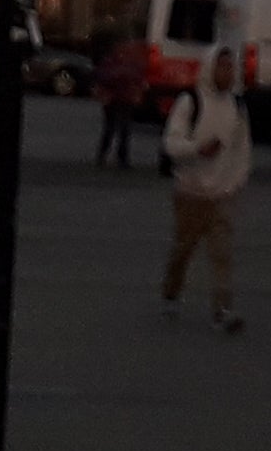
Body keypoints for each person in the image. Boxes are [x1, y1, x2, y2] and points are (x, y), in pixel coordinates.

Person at [158, 44, 251, 332]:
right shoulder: (190, 101)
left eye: (231, 67)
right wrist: (198, 149)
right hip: (190, 193)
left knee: (222, 253)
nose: (228, 72)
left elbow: (242, 150)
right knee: (183, 249)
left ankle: (222, 310)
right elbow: (171, 143)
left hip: (222, 194)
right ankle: (171, 291)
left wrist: (235, 182)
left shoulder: (237, 106)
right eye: (222, 66)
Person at [93, 30, 148, 169]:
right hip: (119, 97)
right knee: (117, 128)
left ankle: (110, 155)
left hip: (118, 97)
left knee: (117, 128)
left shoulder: (116, 61)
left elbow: (104, 76)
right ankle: (116, 156)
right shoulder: (125, 62)